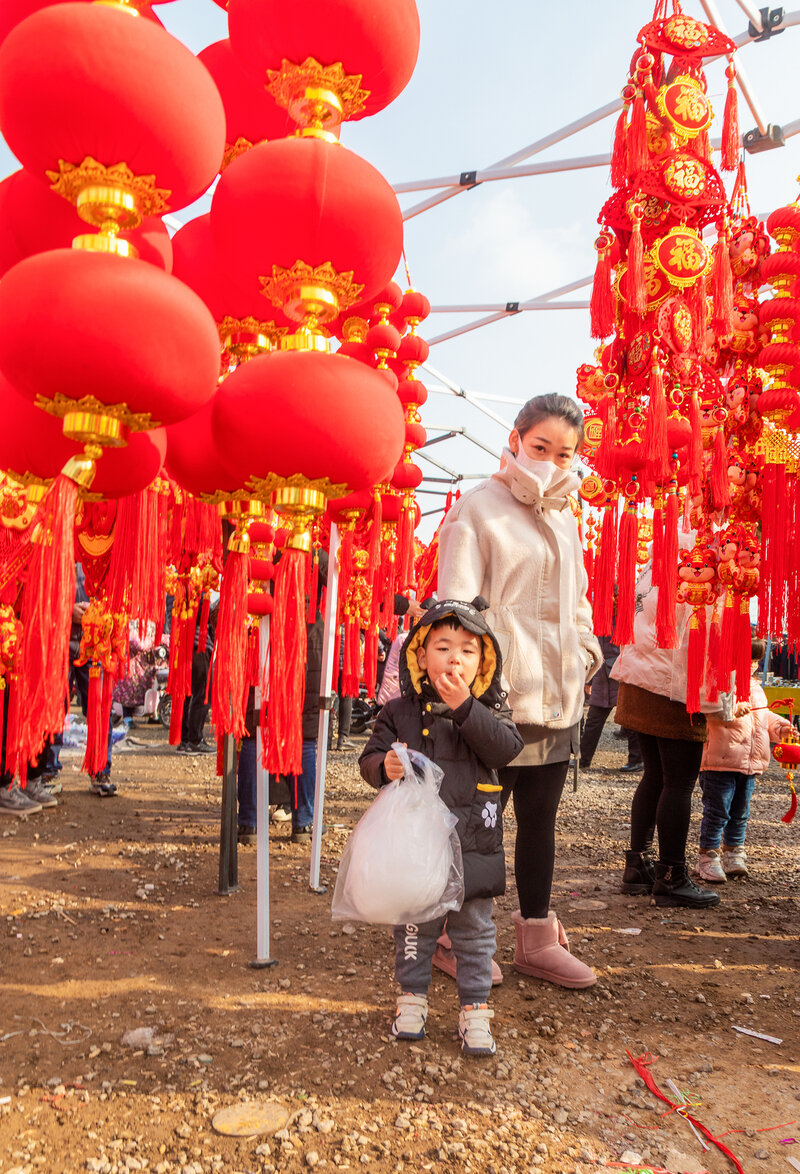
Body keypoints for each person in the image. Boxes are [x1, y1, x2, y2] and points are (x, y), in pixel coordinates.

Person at [437, 393, 601, 989]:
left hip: (557, 701)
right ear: (515, 438)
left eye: (565, 453)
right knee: (480, 822)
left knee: (539, 821)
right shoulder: (478, 510)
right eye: (541, 448)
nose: (552, 462)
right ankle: (453, 934)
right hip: (496, 705)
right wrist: (474, 692)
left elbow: (576, 602)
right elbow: (453, 611)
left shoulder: (565, 516)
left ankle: (536, 934)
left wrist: (584, 651)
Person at [359, 598, 522, 1056]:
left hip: (474, 839)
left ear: (484, 662)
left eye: (468, 650)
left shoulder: (490, 707)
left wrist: (466, 708)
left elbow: (505, 750)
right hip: (417, 846)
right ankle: (412, 998)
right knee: (415, 926)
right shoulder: (399, 710)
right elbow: (368, 758)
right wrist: (383, 765)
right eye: (443, 646)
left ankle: (475, 1010)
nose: (455, 658)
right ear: (419, 655)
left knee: (474, 932)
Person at [612, 559, 722, 909]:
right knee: (677, 782)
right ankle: (671, 875)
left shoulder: (656, 553)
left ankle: (638, 866)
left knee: (655, 776)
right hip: (674, 682)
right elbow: (698, 632)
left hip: (641, 674)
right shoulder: (703, 555)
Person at [696, 638, 793, 883]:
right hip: (720, 760)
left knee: (741, 812)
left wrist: (780, 728)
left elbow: (763, 717)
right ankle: (708, 856)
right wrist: (728, 711)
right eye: (749, 659)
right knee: (717, 812)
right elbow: (706, 710)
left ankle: (734, 852)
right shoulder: (716, 680)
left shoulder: (755, 687)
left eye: (756, 660)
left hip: (750, 763)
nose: (753, 665)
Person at [580, 634, 642, 772]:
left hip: (622, 671)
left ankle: (637, 759)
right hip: (601, 674)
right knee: (594, 718)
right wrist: (589, 678)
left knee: (629, 717)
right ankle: (583, 758)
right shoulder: (599, 615)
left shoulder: (629, 614)